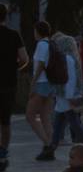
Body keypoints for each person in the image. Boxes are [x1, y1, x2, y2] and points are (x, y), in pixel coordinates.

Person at [49, 33, 83, 152]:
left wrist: (69, 96)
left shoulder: (67, 59)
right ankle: (51, 147)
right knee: (59, 123)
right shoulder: (71, 57)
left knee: (74, 123)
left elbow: (70, 79)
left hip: (67, 97)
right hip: (65, 96)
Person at [0, 3, 28, 172]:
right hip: (8, 83)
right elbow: (24, 58)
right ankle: (3, 153)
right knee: (5, 121)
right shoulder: (13, 35)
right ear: (6, 16)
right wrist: (12, 67)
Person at [28, 21, 56, 158]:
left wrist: (32, 84)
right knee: (45, 116)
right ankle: (50, 146)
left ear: (38, 32)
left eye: (34, 31)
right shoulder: (50, 44)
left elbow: (40, 66)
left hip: (41, 83)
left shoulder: (41, 45)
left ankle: (47, 144)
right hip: (50, 84)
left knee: (30, 115)